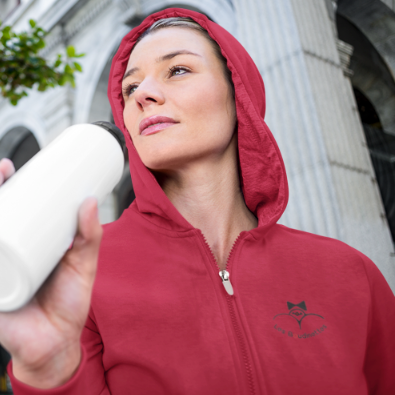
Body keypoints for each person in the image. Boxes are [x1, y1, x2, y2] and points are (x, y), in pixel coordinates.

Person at [0, 7, 394, 395]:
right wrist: (48, 372)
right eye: (130, 88)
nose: (144, 96)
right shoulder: (80, 272)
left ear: (237, 91)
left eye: (178, 70)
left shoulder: (350, 274)